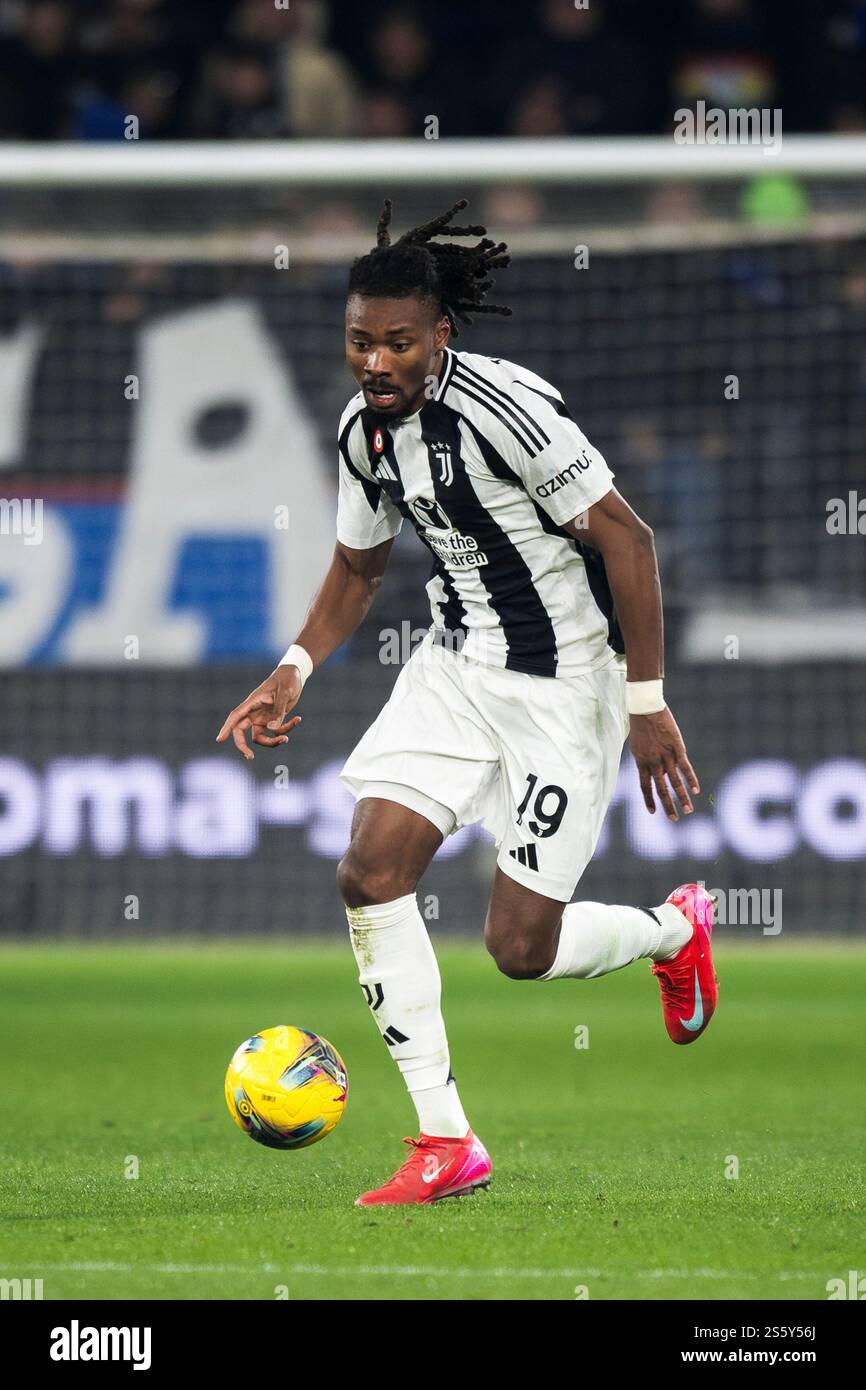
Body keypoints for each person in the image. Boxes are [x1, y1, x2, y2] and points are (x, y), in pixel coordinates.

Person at [217, 198, 719, 1206]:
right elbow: (358, 569)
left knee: (517, 950)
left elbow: (628, 540)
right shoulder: (365, 432)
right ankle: (443, 1138)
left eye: (397, 342)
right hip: (453, 670)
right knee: (367, 870)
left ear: (438, 336)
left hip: (565, 688)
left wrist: (646, 702)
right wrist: (292, 667)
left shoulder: (506, 413)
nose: (375, 362)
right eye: (360, 341)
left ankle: (672, 931)